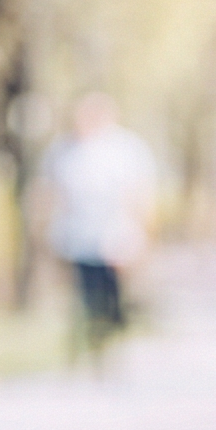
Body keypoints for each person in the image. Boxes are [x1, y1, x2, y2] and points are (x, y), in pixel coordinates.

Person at [42, 94, 158, 359]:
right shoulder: (64, 151)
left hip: (115, 238)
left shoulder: (126, 149)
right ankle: (88, 345)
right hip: (76, 239)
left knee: (111, 296)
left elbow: (139, 195)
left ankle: (110, 338)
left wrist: (141, 238)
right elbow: (53, 194)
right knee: (83, 296)